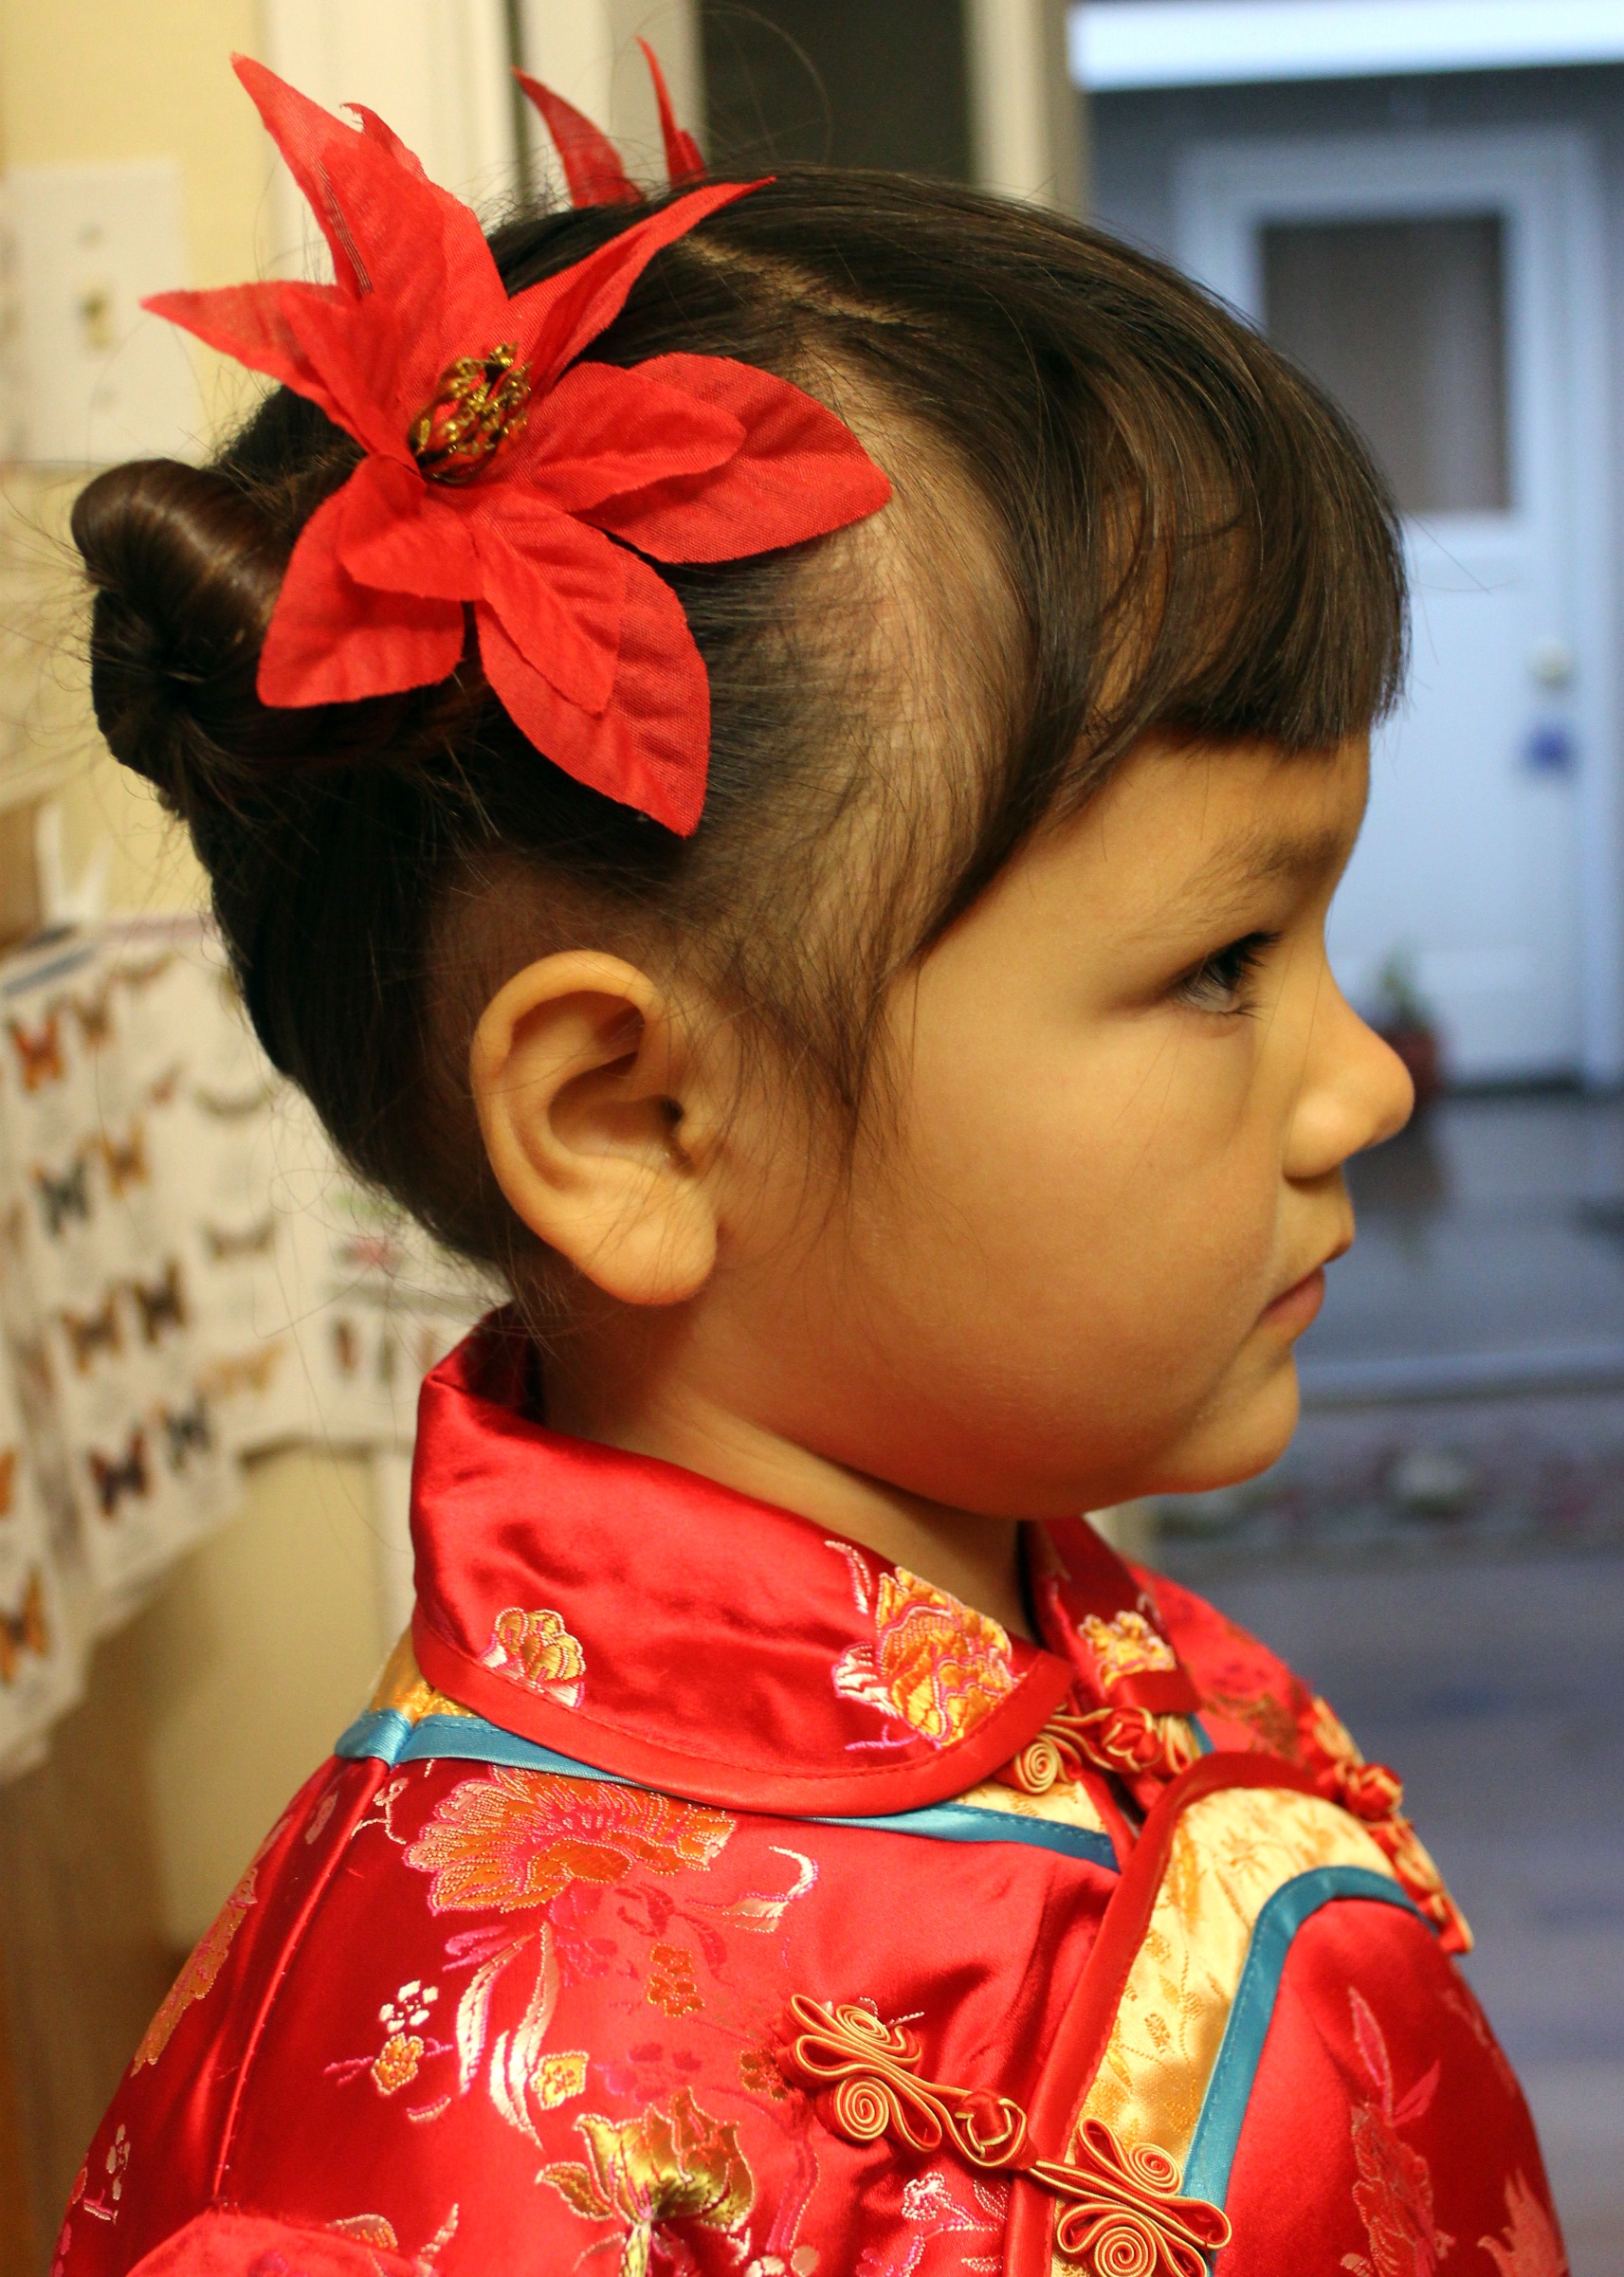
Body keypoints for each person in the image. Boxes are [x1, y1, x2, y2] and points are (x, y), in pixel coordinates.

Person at [61, 52, 1563, 2277]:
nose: (1363, 1085)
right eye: (1222, 962)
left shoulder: (1069, 1621)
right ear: (631, 1122)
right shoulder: (476, 2148)